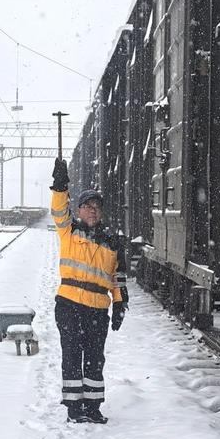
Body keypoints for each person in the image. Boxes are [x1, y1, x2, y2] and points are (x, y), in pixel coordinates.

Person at [49, 157, 128, 424]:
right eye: (87, 206)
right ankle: (74, 408)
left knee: (95, 359)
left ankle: (93, 407)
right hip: (69, 304)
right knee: (72, 355)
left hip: (97, 308)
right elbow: (59, 209)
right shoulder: (69, 231)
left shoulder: (112, 243)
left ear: (101, 212)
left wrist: (119, 304)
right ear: (79, 210)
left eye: (96, 207)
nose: (92, 211)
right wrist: (60, 185)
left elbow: (118, 278)